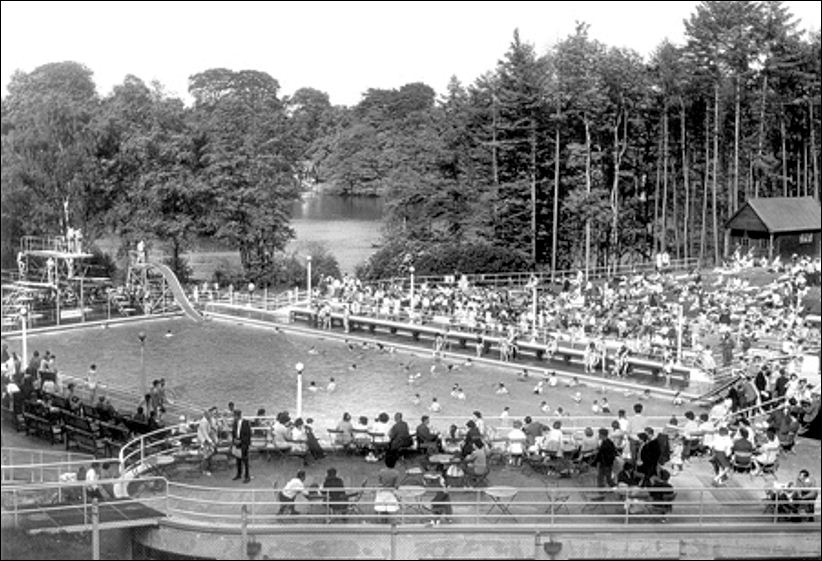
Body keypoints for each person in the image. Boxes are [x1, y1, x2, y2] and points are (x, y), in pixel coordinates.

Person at [232, 409, 251, 483]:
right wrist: (234, 440)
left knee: (245, 460)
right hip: (237, 443)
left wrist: (242, 441)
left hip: (243, 444)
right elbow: (233, 433)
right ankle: (239, 474)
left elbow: (248, 434)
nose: (234, 417)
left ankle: (247, 476)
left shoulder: (246, 423)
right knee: (238, 459)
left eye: (235, 416)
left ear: (239, 416)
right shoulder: (235, 423)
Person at [197, 408, 216, 476]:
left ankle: (207, 468)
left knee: (209, 455)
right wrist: (210, 441)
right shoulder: (204, 422)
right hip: (204, 440)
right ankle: (204, 470)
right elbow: (205, 433)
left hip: (206, 440)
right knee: (206, 456)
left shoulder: (206, 420)